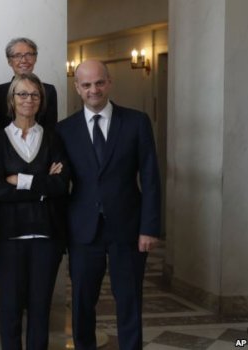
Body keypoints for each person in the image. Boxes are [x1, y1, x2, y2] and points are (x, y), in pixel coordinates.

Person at [56, 60, 161, 350]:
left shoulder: (137, 122)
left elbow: (150, 177)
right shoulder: (64, 130)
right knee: (82, 301)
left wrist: (149, 228)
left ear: (109, 82)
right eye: (87, 85)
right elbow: (60, 186)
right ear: (77, 88)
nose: (94, 90)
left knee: (129, 299)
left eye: (99, 83)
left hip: (128, 228)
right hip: (82, 229)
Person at [0, 73, 69, 350]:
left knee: (40, 310)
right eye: (22, 94)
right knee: (10, 309)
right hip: (8, 238)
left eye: (34, 94)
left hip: (46, 236)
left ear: (41, 100)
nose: (28, 100)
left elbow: (60, 185)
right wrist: (42, 184)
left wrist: (19, 179)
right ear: (12, 99)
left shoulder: (54, 138)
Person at [0, 38, 58, 132]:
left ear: (35, 59)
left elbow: (50, 128)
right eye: (17, 56)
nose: (24, 60)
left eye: (29, 55)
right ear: (9, 61)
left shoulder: (48, 91)